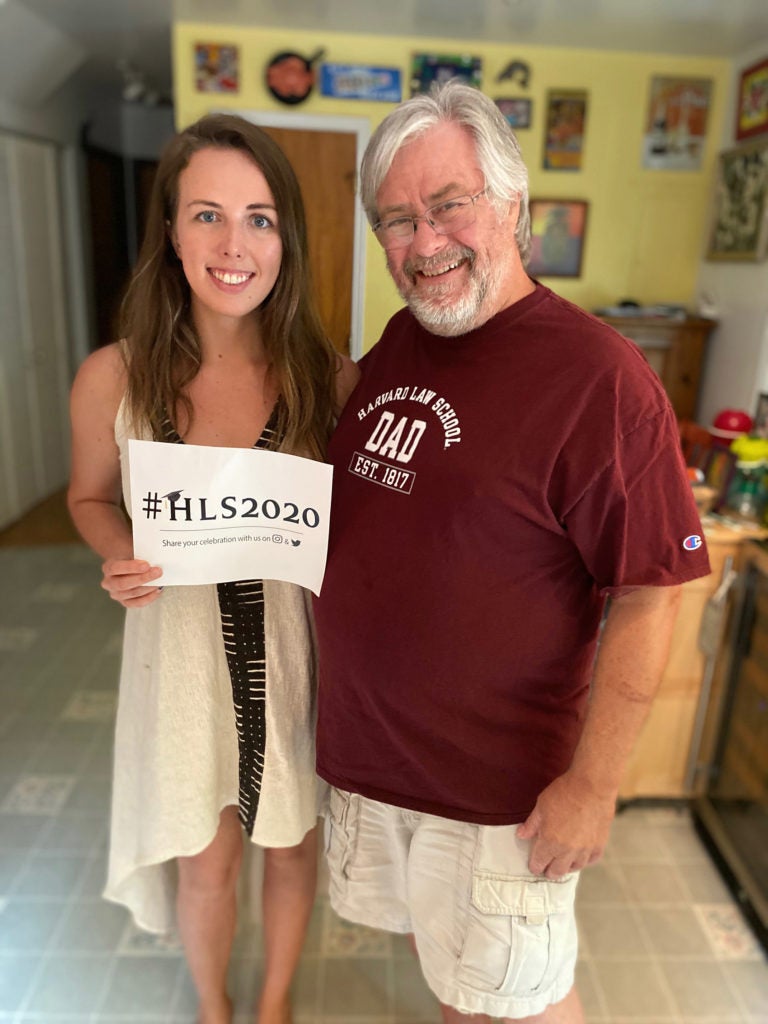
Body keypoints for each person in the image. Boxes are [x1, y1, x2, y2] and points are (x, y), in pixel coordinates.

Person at [313, 82, 711, 1023]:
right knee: (456, 975)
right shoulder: (402, 342)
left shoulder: (600, 379)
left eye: (449, 205)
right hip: (381, 765)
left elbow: (652, 595)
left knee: (516, 1001)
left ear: (513, 205)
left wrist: (594, 785)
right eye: (397, 221)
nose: (424, 242)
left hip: (499, 792)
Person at [68, 113, 358, 1024]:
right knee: (208, 855)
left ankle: (272, 1004)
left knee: (292, 846)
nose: (234, 245)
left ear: (287, 240)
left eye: (260, 218)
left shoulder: (331, 381)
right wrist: (120, 554)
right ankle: (214, 1006)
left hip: (296, 660)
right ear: (170, 230)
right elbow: (88, 499)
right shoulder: (115, 378)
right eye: (207, 214)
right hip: (182, 665)